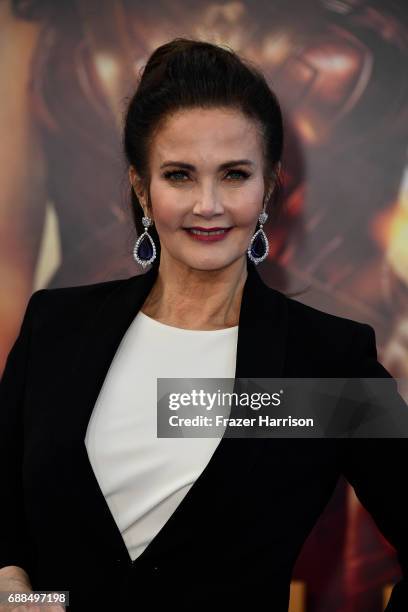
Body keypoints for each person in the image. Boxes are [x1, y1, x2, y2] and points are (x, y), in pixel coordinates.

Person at [0, 38, 406, 612]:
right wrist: (22, 599)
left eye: (235, 174)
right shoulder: (56, 329)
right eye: (180, 175)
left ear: (268, 186)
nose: (208, 205)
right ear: (143, 186)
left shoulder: (325, 362)